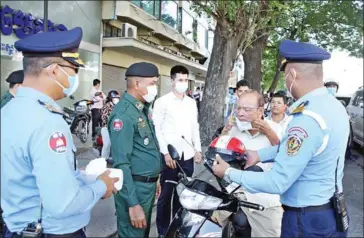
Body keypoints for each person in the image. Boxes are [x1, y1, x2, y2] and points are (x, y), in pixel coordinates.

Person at [212, 39, 350, 237]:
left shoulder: (307, 119)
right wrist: (259, 155)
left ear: (292, 75)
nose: (286, 82)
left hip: (305, 221)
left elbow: (278, 182)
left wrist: (228, 173)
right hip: (329, 209)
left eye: (286, 76)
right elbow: (299, 149)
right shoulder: (332, 106)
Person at [1, 27, 118, 237]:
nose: (75, 77)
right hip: (52, 231)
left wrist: (81, 177)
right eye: (73, 70)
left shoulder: (9, 110)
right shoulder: (47, 121)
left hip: (18, 228)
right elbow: (63, 203)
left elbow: (27, 173)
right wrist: (102, 186)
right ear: (54, 70)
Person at [214, 90, 283, 237]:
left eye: (247, 109)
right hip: (234, 192)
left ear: (260, 110)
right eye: (238, 108)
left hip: (264, 198)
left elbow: (285, 155)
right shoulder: (234, 130)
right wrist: (225, 131)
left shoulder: (276, 129)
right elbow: (218, 152)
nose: (240, 113)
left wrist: (269, 132)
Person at [108, 62, 161, 238]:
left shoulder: (141, 109)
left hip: (146, 187)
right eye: (152, 83)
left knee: (141, 233)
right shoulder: (123, 114)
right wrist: (132, 204)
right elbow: (121, 163)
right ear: (137, 84)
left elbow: (145, 149)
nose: (155, 88)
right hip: (134, 190)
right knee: (133, 234)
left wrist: (156, 178)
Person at [153, 65, 202, 237]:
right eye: (180, 80)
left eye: (185, 80)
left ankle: (178, 230)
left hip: (187, 156)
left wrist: (198, 149)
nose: (183, 83)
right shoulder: (162, 102)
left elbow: (195, 127)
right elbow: (157, 129)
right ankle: (162, 231)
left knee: (183, 196)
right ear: (172, 81)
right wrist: (165, 153)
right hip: (169, 157)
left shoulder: (191, 102)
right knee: (165, 197)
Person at [101, 90, 121, 163]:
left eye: (117, 98)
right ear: (111, 98)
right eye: (115, 98)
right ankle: (103, 160)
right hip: (106, 127)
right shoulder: (107, 106)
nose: (117, 99)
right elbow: (104, 118)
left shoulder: (118, 107)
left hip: (115, 128)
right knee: (107, 144)